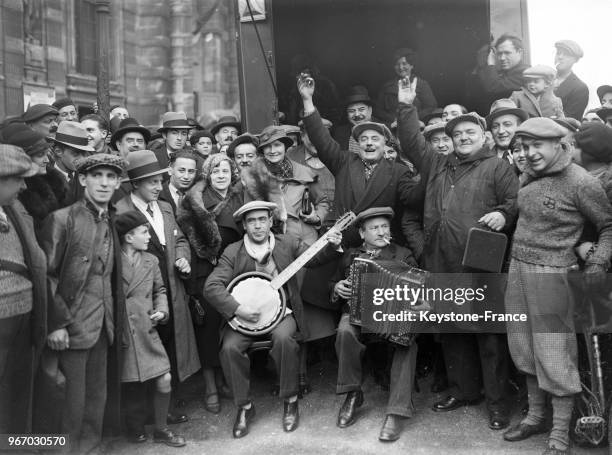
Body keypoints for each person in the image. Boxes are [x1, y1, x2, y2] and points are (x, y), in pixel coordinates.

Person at [396, 79, 519, 430]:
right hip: (442, 259)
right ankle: (463, 390)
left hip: (481, 261)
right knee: (452, 328)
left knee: (488, 334)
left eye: (469, 131)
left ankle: (497, 404)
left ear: (484, 136)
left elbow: (514, 202)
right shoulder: (437, 163)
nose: (463, 137)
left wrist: (504, 215)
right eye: (457, 134)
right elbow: (411, 141)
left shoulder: (497, 167)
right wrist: (406, 106)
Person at [503, 118, 612, 455]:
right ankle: (536, 417)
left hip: (553, 274)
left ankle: (559, 436)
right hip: (518, 269)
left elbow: (608, 226)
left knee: (554, 352)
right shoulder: (528, 175)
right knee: (522, 347)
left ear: (558, 144)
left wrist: (597, 263)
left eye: (537, 145)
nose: (529, 153)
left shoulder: (580, 182)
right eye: (524, 146)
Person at [204, 200, 342, 437]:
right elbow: (211, 286)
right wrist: (238, 309)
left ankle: (290, 400)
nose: (257, 226)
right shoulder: (233, 251)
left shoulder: (287, 243)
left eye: (262, 220)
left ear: (270, 222)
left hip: (282, 313)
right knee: (229, 348)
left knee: (284, 340)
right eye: (251, 221)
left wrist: (331, 245)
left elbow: (314, 259)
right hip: (245, 317)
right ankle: (245, 407)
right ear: (244, 226)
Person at [40, 153, 127, 453]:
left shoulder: (110, 219)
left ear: (117, 183)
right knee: (70, 403)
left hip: (103, 326)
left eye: (110, 177)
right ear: (83, 179)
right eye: (97, 176)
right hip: (71, 329)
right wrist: (56, 324)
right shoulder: (62, 219)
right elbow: (46, 276)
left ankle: (90, 448)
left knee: (95, 399)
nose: (104, 183)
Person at [115, 150, 200, 424]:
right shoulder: (121, 212)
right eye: (151, 182)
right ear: (135, 184)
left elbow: (181, 239)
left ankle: (166, 408)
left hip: (170, 290)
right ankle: (140, 418)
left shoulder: (164, 207)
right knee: (140, 355)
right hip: (141, 295)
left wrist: (182, 257)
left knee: (170, 348)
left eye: (159, 181)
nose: (157, 186)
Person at [298, 78, 419, 248]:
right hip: (342, 245)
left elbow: (415, 198)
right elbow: (322, 140)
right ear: (358, 144)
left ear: (385, 144)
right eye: (364, 139)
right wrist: (307, 100)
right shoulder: (344, 162)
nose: (369, 143)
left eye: (375, 139)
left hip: (379, 247)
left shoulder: (399, 171)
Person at [332, 207, 418, 442]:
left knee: (406, 341)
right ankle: (352, 393)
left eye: (384, 227)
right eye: (374, 228)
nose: (381, 233)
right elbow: (334, 282)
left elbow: (419, 290)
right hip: (357, 315)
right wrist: (337, 288)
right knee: (344, 331)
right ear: (362, 233)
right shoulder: (351, 255)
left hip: (392, 316)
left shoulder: (403, 254)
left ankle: (396, 412)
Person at [178, 153, 245, 415]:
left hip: (235, 268)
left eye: (225, 172)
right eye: (215, 171)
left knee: (229, 326)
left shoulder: (240, 196)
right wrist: (207, 253)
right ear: (207, 174)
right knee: (208, 329)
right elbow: (190, 234)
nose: (220, 176)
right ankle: (211, 387)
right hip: (206, 269)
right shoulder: (196, 201)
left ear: (232, 174)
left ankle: (226, 379)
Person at [115, 210, 186, 447]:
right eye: (144, 232)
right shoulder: (113, 261)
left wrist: (162, 311)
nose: (149, 237)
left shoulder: (151, 260)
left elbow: (160, 291)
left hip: (147, 329)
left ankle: (161, 429)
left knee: (164, 378)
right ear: (128, 237)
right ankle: (134, 428)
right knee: (132, 384)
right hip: (124, 331)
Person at [0, 145, 47, 434]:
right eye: (19, 178)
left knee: (17, 396)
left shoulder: (13, 209)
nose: (25, 185)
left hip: (22, 318)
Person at [2, 124, 65, 230]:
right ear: (25, 158)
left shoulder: (55, 182)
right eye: (40, 155)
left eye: (47, 154)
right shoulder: (14, 197)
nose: (47, 160)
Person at [375, 48, 438, 124]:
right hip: (392, 126)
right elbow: (378, 110)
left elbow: (431, 107)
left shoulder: (422, 84)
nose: (401, 67)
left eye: (404, 64)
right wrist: (393, 119)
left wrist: (411, 117)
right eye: (397, 64)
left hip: (415, 125)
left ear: (412, 65)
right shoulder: (387, 87)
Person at [476, 34, 529, 113]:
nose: (502, 58)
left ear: (519, 52)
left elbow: (493, 88)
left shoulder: (525, 73)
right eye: (499, 53)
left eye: (507, 53)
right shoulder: (502, 72)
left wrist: (491, 64)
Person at [50, 121, 96, 206]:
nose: (82, 159)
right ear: (58, 151)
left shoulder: (88, 179)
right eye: (76, 153)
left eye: (84, 153)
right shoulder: (45, 180)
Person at [332, 85, 377, 153]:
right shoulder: (340, 133)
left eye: (361, 109)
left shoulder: (384, 130)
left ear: (370, 110)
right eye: (351, 111)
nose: (357, 115)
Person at [553, 40, 588, 121]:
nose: (560, 57)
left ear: (576, 60)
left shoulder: (580, 88)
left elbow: (570, 122)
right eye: (558, 53)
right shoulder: (544, 79)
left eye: (566, 55)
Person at [486, 98, 528, 163]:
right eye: (495, 126)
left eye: (507, 124)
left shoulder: (529, 156)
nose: (501, 131)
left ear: (519, 126)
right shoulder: (484, 159)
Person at [159, 150, 199, 215]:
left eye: (191, 171)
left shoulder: (201, 195)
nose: (186, 176)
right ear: (170, 170)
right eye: (181, 171)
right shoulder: (157, 194)